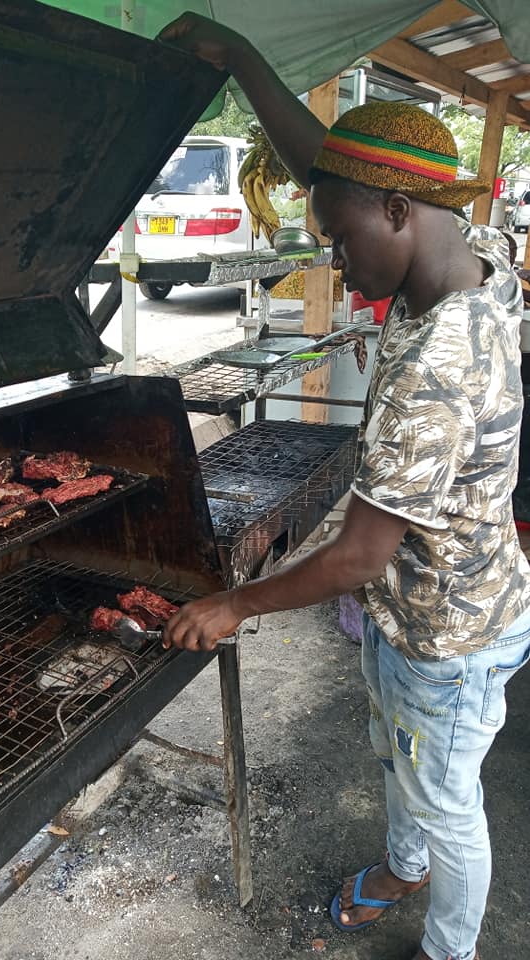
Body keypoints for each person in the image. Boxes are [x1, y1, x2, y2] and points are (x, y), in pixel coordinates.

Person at [158, 14, 530, 960]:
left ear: (399, 212)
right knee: (399, 761)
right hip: (425, 607)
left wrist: (235, 603)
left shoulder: (436, 366)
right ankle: (403, 865)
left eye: (337, 236)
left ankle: (449, 947)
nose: (333, 258)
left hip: (449, 634)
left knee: (448, 804)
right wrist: (240, 58)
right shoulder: (473, 254)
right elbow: (333, 161)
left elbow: (361, 551)